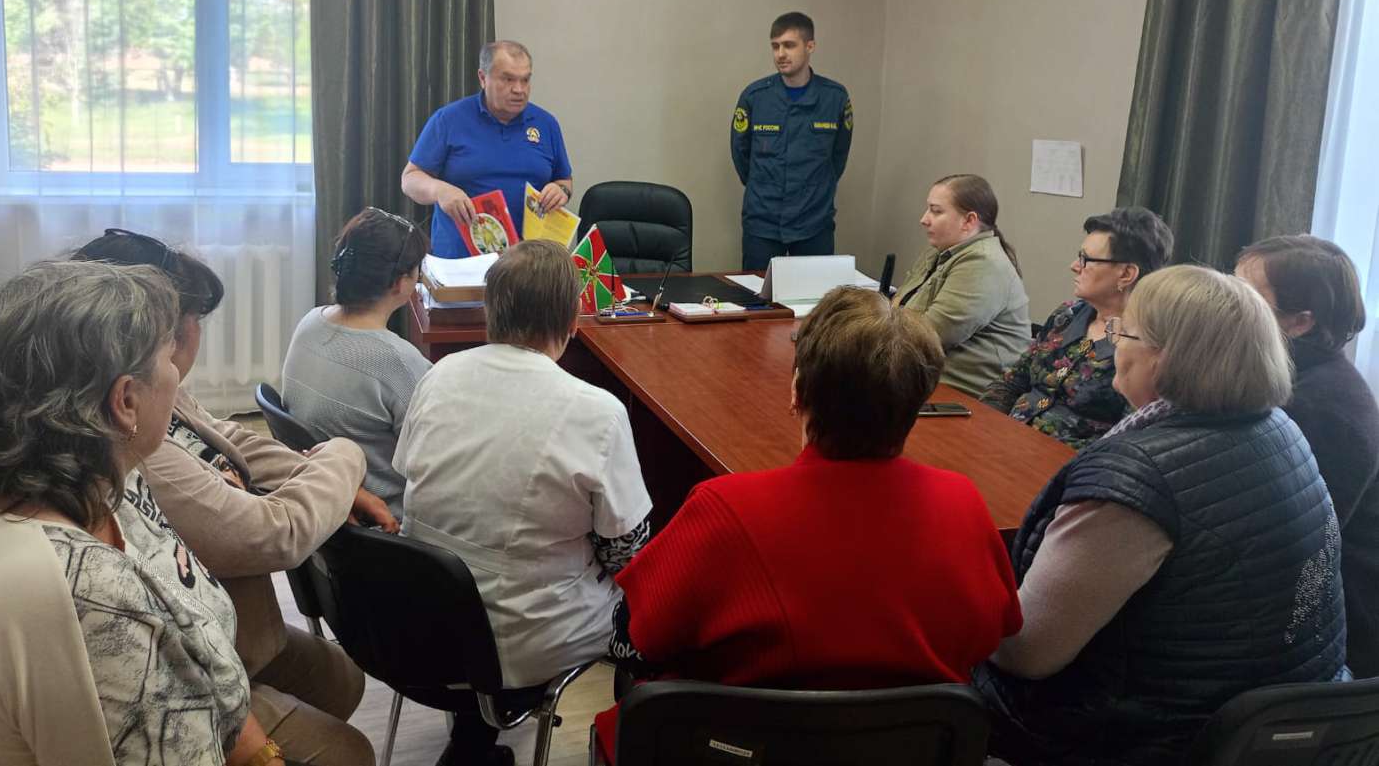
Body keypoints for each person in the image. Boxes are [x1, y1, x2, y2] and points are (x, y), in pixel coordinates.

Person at [594, 286, 1022, 761]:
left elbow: (640, 638)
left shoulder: (726, 508)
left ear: (797, 391)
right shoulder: (963, 504)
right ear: (917, 405)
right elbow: (993, 633)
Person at [977, 266, 1347, 766]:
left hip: (1150, 741)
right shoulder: (1280, 430)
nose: (1114, 345)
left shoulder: (1136, 480)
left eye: (1124, 332)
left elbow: (1027, 652)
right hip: (1283, 733)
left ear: (1165, 357)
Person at [74, 229, 387, 766]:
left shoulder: (152, 391)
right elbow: (272, 534)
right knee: (348, 752)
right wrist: (345, 455)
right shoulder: (133, 442)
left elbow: (226, 438)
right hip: (205, 655)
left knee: (341, 679)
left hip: (238, 628)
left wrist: (319, 475)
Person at [0, 260, 282, 766]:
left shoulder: (90, 483)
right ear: (126, 400)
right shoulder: (88, 593)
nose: (178, 373)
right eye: (168, 356)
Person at [394, 239, 652, 766]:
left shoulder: (439, 375)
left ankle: (471, 739)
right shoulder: (596, 412)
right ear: (573, 320)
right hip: (519, 639)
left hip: (420, 619)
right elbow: (628, 555)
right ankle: (623, 745)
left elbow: (415, 481)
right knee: (653, 610)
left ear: (490, 311)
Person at [1236, 234, 1379, 678]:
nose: (1224, 301)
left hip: (1330, 629)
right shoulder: (1285, 378)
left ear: (1299, 323)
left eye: (1244, 295)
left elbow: (1297, 550)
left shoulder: (1321, 408)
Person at [282, 207, 432, 519]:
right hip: (383, 516)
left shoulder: (311, 321)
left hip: (324, 496)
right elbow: (431, 462)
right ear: (399, 283)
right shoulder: (398, 360)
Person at [981, 207, 1173, 449]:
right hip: (1006, 439)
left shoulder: (1145, 345)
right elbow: (1012, 381)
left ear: (1126, 273)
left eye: (1086, 259)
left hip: (1068, 461)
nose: (1074, 266)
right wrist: (982, 424)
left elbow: (1125, 440)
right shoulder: (1067, 315)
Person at [403, 40, 573, 258]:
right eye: (508, 79)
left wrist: (560, 191)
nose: (519, 89)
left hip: (529, 262)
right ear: (483, 78)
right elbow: (410, 179)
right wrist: (440, 190)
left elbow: (564, 180)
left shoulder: (546, 123)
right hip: (461, 262)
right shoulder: (448, 120)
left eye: (525, 79)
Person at [731, 11, 853, 270]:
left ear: (810, 46)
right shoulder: (755, 97)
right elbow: (741, 155)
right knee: (756, 292)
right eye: (775, 46)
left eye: (789, 45)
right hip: (763, 220)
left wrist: (818, 190)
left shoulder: (834, 98)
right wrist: (763, 186)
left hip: (814, 222)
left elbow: (838, 157)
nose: (780, 54)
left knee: (814, 293)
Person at [891, 174, 1030, 397]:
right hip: (920, 376)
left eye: (936, 211)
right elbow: (898, 305)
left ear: (969, 221)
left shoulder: (983, 264)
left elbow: (928, 337)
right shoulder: (939, 251)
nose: (924, 219)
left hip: (963, 393)